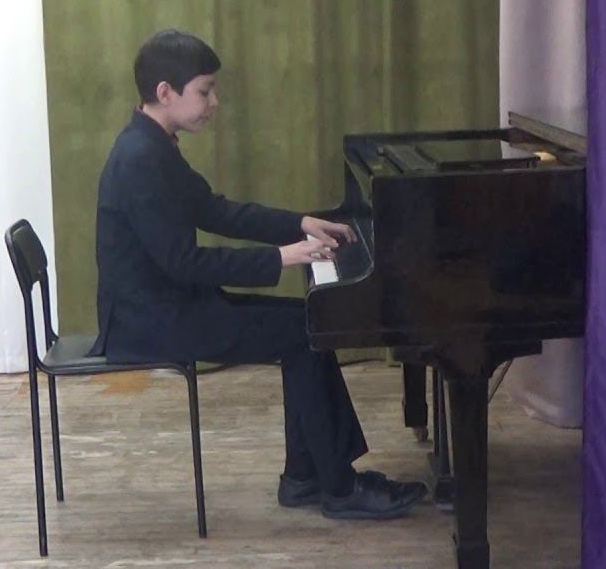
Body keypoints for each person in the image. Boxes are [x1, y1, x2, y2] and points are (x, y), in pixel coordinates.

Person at [91, 28, 426, 519]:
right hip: (150, 323)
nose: (214, 103)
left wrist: (299, 223)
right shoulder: (140, 160)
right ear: (166, 92)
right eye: (205, 91)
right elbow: (184, 263)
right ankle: (337, 487)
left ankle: (306, 478)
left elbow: (215, 210)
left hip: (165, 307)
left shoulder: (151, 145)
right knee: (304, 332)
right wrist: (282, 257)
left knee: (305, 327)